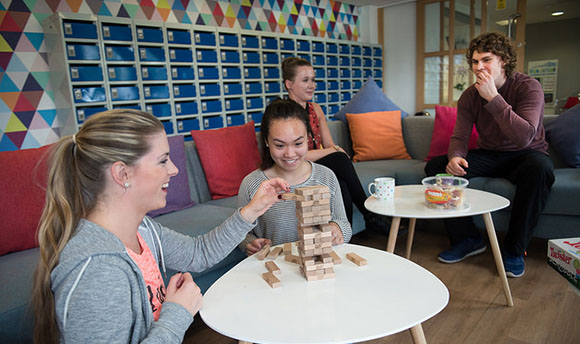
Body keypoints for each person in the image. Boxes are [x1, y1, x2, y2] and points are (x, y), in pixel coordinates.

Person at [31, 109, 289, 343]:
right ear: (123, 174)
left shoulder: (142, 228)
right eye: (163, 160)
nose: (175, 169)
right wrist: (177, 312)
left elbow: (198, 254)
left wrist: (252, 209)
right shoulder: (97, 268)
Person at [425, 32, 555, 278]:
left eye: (486, 60)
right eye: (474, 62)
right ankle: (467, 239)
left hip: (526, 154)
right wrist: (455, 156)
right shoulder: (469, 96)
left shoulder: (528, 87)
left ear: (503, 60)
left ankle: (514, 250)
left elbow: (525, 136)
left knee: (541, 170)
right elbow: (460, 136)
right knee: (436, 168)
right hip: (490, 154)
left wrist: (493, 98)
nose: (478, 67)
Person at [281, 56, 388, 232]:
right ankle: (369, 214)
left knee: (341, 184)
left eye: (313, 80)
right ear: (289, 84)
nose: (312, 85)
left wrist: (333, 150)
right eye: (305, 80)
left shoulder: (316, 109)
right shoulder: (285, 113)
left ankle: (345, 238)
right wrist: (334, 151)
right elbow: (300, 155)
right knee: (338, 157)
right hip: (296, 166)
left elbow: (329, 144)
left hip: (316, 165)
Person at [238, 99, 352, 255]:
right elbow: (241, 234)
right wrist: (250, 244)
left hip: (317, 267)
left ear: (308, 139)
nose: (289, 154)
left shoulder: (326, 177)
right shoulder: (251, 184)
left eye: (298, 143)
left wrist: (337, 230)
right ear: (266, 141)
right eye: (279, 145)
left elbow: (344, 224)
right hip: (276, 269)